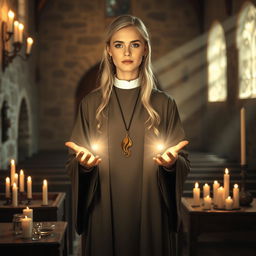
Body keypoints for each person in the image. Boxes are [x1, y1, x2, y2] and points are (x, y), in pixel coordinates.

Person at [65, 15, 190, 256]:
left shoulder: (164, 104)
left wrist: (172, 165)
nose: (127, 52)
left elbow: (183, 160)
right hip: (103, 208)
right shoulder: (91, 104)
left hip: (152, 208)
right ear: (108, 51)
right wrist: (84, 167)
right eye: (119, 44)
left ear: (145, 49)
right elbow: (74, 162)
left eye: (135, 44)